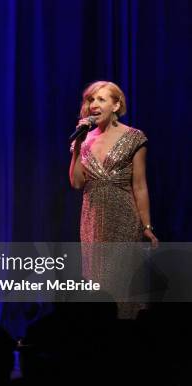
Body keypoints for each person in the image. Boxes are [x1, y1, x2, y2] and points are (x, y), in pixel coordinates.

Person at [69, 81, 158, 316]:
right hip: (92, 219)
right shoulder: (83, 140)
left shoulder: (133, 137)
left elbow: (139, 186)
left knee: (123, 280)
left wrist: (147, 226)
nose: (94, 105)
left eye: (101, 99)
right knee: (97, 279)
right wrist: (77, 146)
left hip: (124, 217)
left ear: (116, 105)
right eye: (91, 100)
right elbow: (77, 183)